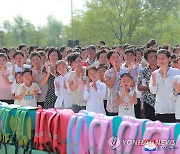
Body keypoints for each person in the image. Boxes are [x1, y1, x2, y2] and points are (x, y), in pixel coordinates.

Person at [149, 49, 180, 123]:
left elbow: (174, 90)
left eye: (163, 58)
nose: (161, 60)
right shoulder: (155, 73)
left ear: (169, 59)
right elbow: (153, 91)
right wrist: (154, 82)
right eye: (159, 58)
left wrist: (165, 75)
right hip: (160, 109)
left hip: (173, 109)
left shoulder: (176, 72)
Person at [137, 49, 158, 121]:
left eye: (155, 56)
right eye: (150, 57)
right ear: (147, 59)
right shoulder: (143, 71)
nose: (153, 58)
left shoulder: (162, 70)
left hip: (160, 101)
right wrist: (151, 87)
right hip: (147, 101)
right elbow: (139, 87)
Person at [105, 50, 125, 116]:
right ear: (109, 60)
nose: (116, 59)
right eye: (113, 57)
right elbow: (110, 86)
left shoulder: (125, 70)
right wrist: (115, 73)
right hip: (113, 101)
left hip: (123, 100)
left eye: (117, 56)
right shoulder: (108, 72)